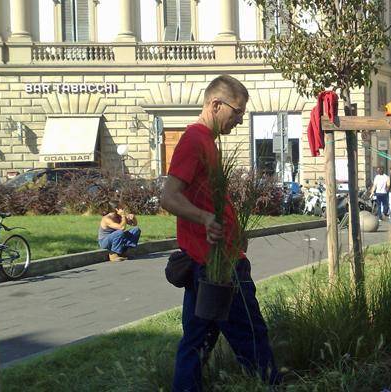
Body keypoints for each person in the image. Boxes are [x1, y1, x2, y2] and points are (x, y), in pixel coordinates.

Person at [160, 75, 279, 392]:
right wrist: (206, 219)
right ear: (216, 104)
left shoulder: (207, 143)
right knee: (251, 337)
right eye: (237, 112)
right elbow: (168, 196)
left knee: (197, 344)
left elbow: (208, 197)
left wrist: (233, 229)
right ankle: (270, 386)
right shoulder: (194, 140)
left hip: (213, 263)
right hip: (217, 268)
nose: (239, 121)